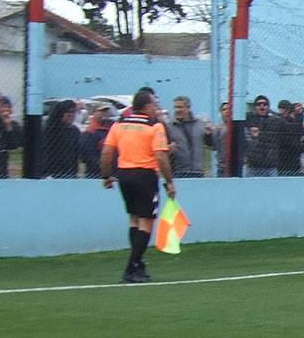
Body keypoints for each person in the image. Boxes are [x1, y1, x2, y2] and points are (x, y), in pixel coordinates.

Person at [100, 87, 176, 283]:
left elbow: (106, 153)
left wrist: (106, 176)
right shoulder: (154, 126)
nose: (156, 108)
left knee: (134, 220)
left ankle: (139, 265)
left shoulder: (119, 125)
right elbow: (160, 156)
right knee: (146, 222)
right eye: (154, 105)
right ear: (147, 106)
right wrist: (169, 182)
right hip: (145, 175)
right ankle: (131, 269)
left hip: (124, 175)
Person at [38, 99, 82, 178]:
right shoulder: (50, 131)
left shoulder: (74, 131)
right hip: (51, 173)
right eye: (69, 112)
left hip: (71, 173)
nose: (72, 115)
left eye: (74, 112)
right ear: (61, 113)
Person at [167, 96, 207, 178]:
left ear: (188, 108)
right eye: (175, 107)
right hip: (178, 172)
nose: (177, 110)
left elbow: (211, 144)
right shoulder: (168, 127)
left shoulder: (200, 124)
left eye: (180, 107)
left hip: (198, 171)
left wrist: (209, 134)